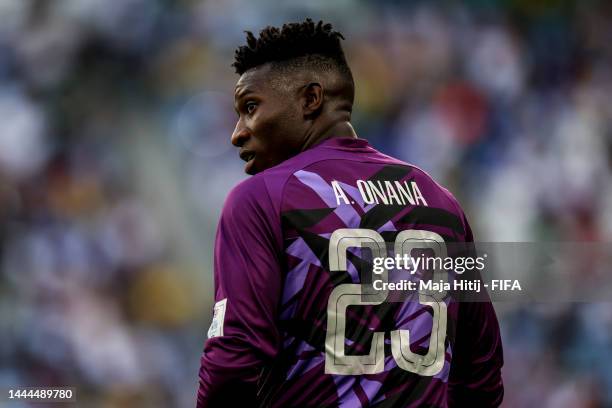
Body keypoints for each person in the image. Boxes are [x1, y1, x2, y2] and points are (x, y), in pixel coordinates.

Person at [197, 18, 503, 407]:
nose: (238, 132)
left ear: (310, 100)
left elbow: (232, 362)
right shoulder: (439, 202)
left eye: (251, 107)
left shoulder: (260, 200)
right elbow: (481, 372)